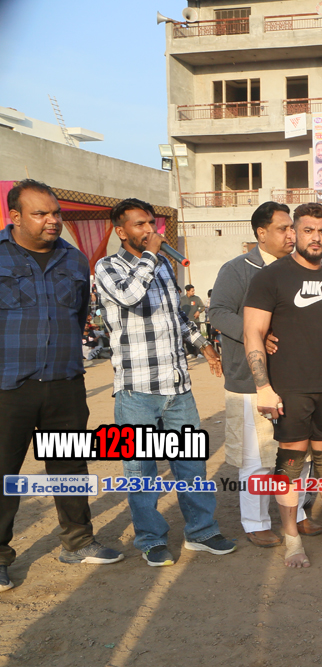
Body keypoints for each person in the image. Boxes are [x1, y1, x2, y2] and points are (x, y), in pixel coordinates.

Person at [0, 181, 125, 590]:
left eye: (55, 213)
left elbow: (78, 315)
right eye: (41, 214)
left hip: (64, 384)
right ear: (15, 217)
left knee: (69, 467)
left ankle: (78, 542)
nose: (52, 220)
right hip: (8, 388)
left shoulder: (74, 259)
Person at [95, 198, 233, 567]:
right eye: (139, 224)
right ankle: (151, 539)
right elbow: (129, 296)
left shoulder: (161, 266)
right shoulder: (108, 268)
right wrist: (150, 257)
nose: (149, 230)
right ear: (120, 231)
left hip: (177, 387)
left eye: (151, 223)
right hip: (137, 390)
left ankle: (201, 532)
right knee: (141, 469)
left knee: (191, 464)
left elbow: (176, 316)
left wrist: (203, 345)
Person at [243, 202, 322, 568]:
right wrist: (263, 387)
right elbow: (253, 332)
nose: (316, 238)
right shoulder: (271, 277)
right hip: (289, 387)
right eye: (308, 230)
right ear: (294, 233)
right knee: (291, 462)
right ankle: (291, 539)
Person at [209, 201, 312, 547]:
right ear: (261, 233)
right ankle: (255, 522)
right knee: (257, 458)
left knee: (296, 453)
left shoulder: (300, 268)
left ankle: (296, 516)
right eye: (283, 228)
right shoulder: (238, 269)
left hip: (296, 378)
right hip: (251, 381)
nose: (291, 234)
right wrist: (255, 333)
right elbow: (218, 313)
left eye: (292, 228)